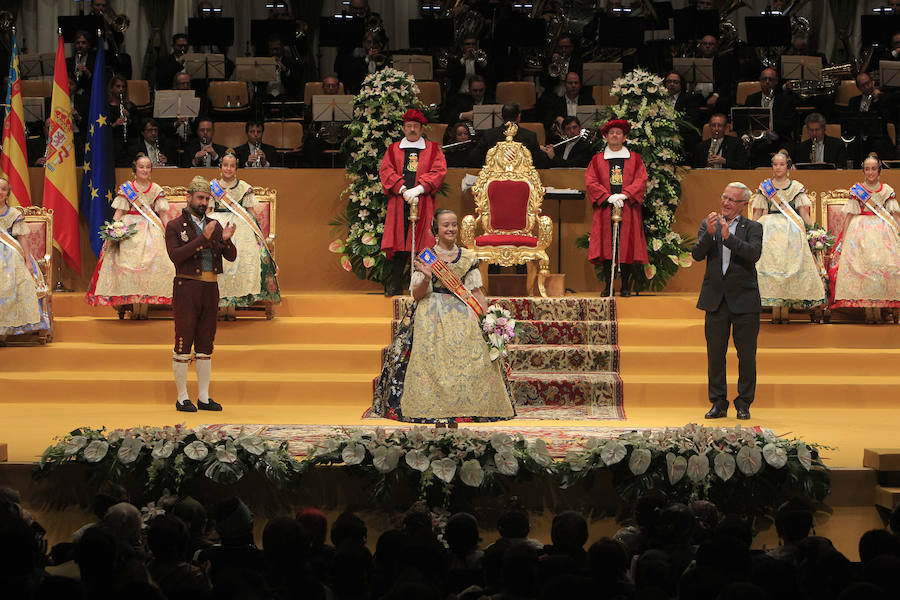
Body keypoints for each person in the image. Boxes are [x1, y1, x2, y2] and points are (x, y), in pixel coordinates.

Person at [371, 209, 515, 425]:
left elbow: (476, 292)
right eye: (446, 225)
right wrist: (426, 278)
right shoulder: (427, 257)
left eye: (454, 225)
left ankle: (474, 407)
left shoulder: (468, 257)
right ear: (435, 229)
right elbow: (417, 295)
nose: (451, 229)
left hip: (463, 312)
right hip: (432, 312)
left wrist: (489, 322)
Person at [691, 182, 763, 420]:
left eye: (732, 200)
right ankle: (718, 402)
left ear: (743, 205)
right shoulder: (708, 224)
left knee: (746, 356)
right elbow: (697, 255)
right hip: (715, 301)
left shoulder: (753, 227)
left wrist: (728, 239)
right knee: (715, 355)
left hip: (744, 300)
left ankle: (744, 403)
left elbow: (754, 254)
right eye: (724, 197)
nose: (726, 202)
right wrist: (710, 235)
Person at [165, 176, 237, 412]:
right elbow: (176, 256)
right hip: (187, 288)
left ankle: (204, 397)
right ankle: (182, 396)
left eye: (207, 198)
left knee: (206, 342)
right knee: (184, 340)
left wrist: (225, 241)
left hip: (210, 288)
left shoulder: (214, 224)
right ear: (189, 198)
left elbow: (231, 256)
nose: (204, 202)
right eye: (200, 197)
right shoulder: (175, 226)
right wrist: (202, 238)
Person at [85, 155, 174, 319]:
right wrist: (112, 232)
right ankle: (132, 304)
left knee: (154, 260)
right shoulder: (127, 188)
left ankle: (144, 307)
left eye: (148, 167)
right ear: (135, 170)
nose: (145, 170)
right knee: (127, 261)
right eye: (141, 167)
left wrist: (170, 234)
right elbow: (119, 213)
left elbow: (163, 215)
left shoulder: (156, 189)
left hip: (151, 230)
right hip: (129, 229)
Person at [749, 151, 826, 324]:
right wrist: (749, 231)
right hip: (769, 230)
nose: (778, 167)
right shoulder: (765, 187)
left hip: (792, 230)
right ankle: (775, 310)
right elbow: (758, 213)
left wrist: (812, 231)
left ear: (788, 166)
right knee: (771, 265)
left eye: (781, 164)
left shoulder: (796, 187)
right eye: (775, 164)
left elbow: (804, 214)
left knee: (790, 267)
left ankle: (786, 309)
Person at [379, 108, 447, 296]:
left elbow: (438, 171)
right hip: (400, 202)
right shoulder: (393, 149)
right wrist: (402, 189)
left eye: (415, 126)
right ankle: (395, 283)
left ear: (421, 129)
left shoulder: (432, 149)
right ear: (404, 128)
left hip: (423, 201)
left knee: (424, 243)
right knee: (400, 244)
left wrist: (419, 188)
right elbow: (386, 171)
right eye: (409, 126)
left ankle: (423, 286)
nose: (412, 130)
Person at [828, 154, 900, 324]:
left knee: (882, 267)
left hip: (883, 232)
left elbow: (894, 215)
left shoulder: (886, 190)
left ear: (879, 170)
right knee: (863, 268)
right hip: (859, 231)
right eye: (867, 169)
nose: (870, 172)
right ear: (863, 171)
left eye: (873, 169)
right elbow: (849, 215)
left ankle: (880, 309)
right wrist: (844, 239)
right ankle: (868, 310)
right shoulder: (857, 190)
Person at [210, 152, 280, 320]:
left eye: (232, 166)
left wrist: (256, 236)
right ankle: (217, 302)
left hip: (240, 226)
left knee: (249, 255)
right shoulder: (212, 186)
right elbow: (208, 211)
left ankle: (237, 300)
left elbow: (250, 214)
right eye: (225, 165)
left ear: (236, 168)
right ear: (220, 167)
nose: (228, 169)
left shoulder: (244, 187)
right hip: (218, 222)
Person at [585, 119, 648, 297]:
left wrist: (625, 194)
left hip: (627, 207)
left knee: (627, 247)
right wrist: (608, 197)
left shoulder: (635, 159)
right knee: (607, 247)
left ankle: (626, 285)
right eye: (611, 132)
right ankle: (608, 285)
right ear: (605, 136)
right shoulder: (597, 160)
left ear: (624, 137)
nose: (615, 135)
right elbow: (591, 181)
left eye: (618, 133)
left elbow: (641, 179)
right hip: (606, 208)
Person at [0, 177, 50, 340]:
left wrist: (28, 262)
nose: (0, 192)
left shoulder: (14, 214)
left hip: (11, 256)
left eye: (3, 189)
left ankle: (5, 332)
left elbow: (22, 239)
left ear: (8, 193)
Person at [468, 102, 550, 169]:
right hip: (521, 179)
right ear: (519, 116)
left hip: (495, 178)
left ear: (502, 116)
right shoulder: (530, 136)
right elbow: (541, 163)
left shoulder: (489, 135)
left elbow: (474, 158)